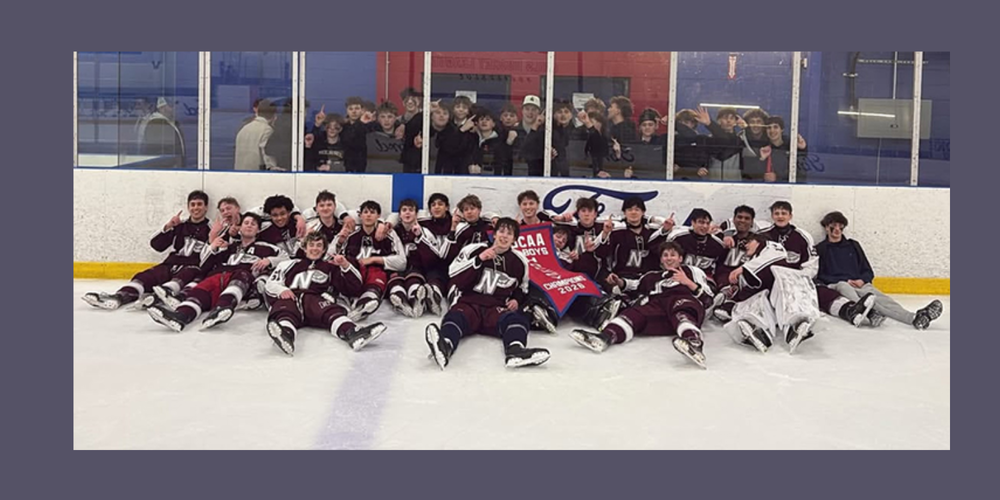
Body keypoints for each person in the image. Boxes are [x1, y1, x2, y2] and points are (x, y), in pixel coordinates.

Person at [424, 217, 551, 370]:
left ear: (514, 239)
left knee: (517, 319)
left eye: (509, 234)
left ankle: (515, 350)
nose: (504, 236)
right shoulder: (474, 249)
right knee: (455, 317)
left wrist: (517, 299)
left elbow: (522, 287)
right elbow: (454, 274)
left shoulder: (520, 261)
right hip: (469, 303)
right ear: (494, 234)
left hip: (495, 308)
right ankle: (445, 346)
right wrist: (479, 260)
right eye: (501, 231)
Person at [570, 242, 713, 368]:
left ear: (680, 258)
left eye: (673, 255)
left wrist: (688, 282)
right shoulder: (651, 276)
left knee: (679, 308)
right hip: (659, 307)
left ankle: (693, 342)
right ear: (661, 260)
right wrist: (619, 281)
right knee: (633, 313)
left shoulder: (692, 271)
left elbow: (708, 299)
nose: (669, 258)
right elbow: (634, 285)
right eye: (665, 255)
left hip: (684, 302)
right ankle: (605, 337)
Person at [146, 213, 288, 332]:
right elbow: (204, 264)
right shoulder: (229, 246)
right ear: (240, 228)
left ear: (258, 230)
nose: (249, 225)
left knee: (242, 276)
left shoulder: (267, 248)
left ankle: (223, 307)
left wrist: (270, 260)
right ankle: (180, 316)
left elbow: (286, 258)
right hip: (219, 275)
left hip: (243, 278)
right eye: (246, 223)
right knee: (199, 292)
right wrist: (213, 248)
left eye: (253, 224)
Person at [82, 190, 210, 310]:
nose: (196, 208)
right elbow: (157, 246)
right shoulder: (179, 225)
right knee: (144, 276)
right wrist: (168, 227)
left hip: (192, 267)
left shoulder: (211, 228)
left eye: (199, 204)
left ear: (206, 207)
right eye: (192, 205)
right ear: (188, 207)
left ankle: (157, 298)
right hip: (170, 264)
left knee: (181, 280)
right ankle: (120, 296)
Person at [815, 211, 943, 329]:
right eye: (833, 226)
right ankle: (870, 312)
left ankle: (914, 318)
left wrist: (863, 280)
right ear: (826, 227)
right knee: (847, 288)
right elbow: (820, 275)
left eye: (840, 226)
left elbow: (867, 270)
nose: (837, 229)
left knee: (881, 299)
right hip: (839, 284)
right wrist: (844, 280)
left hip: (860, 283)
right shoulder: (821, 249)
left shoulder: (853, 245)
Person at [263, 232, 386, 355]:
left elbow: (354, 287)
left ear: (324, 250)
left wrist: (345, 265)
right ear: (305, 248)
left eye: (319, 245)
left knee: (329, 310)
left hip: (315, 301)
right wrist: (282, 290)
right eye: (311, 245)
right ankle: (285, 334)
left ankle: (352, 332)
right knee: (285, 309)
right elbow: (271, 283)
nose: (315, 248)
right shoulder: (288, 264)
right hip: (292, 298)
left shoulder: (330, 267)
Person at [339, 200, 407, 321]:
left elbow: (402, 262)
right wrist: (339, 240)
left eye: (372, 212)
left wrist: (373, 259)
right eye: (365, 212)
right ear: (360, 215)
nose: (369, 215)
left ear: (379, 215)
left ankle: (365, 304)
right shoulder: (351, 234)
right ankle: (350, 302)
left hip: (376, 272)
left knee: (375, 276)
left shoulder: (389, 234)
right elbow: (337, 256)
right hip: (355, 270)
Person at [141, 96, 186, 168]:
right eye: (171, 106)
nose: (174, 109)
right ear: (162, 108)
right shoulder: (157, 124)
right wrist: (174, 165)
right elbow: (160, 152)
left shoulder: (167, 122)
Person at [760, 116, 808, 183]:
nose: (772, 130)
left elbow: (800, 173)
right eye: (769, 127)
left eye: (775, 127)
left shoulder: (791, 146)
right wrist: (762, 159)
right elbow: (752, 175)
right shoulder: (762, 148)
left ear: (782, 129)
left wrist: (802, 149)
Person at [234, 100, 280, 171]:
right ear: (274, 116)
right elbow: (266, 151)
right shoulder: (266, 130)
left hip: (240, 171)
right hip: (256, 173)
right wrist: (272, 166)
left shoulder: (244, 128)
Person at [342, 96, 375, 173]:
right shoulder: (343, 127)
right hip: (348, 167)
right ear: (347, 111)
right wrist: (360, 123)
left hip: (367, 167)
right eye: (351, 109)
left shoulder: (370, 125)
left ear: (362, 110)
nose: (354, 111)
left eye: (357, 108)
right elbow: (348, 140)